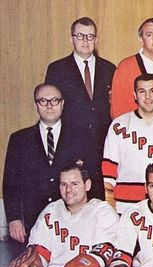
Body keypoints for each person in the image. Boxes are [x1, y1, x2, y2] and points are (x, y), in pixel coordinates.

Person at [3, 84, 87, 256]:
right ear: (36, 105)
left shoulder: (81, 136)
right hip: (32, 222)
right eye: (43, 101)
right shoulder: (19, 139)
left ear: (62, 104)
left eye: (54, 100)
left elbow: (92, 178)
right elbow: (10, 184)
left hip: (72, 220)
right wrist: (14, 218)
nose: (49, 105)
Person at [45, 17, 116, 199]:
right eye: (80, 36)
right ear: (72, 39)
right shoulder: (57, 69)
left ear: (96, 40)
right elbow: (51, 110)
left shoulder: (109, 68)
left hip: (101, 149)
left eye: (90, 36)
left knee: (99, 202)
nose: (85, 41)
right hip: (69, 147)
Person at [102, 74, 153, 214]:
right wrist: (109, 206)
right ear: (135, 95)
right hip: (124, 205)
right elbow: (108, 173)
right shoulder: (119, 125)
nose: (148, 97)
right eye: (142, 91)